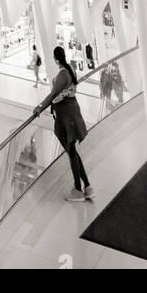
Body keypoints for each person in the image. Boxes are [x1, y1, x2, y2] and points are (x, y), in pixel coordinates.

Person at [34, 45, 94, 201]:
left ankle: (78, 190)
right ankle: (87, 187)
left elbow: (52, 95)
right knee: (73, 151)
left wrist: (40, 106)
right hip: (73, 112)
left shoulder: (62, 75)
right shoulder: (70, 70)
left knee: (71, 152)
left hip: (66, 116)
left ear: (55, 59)